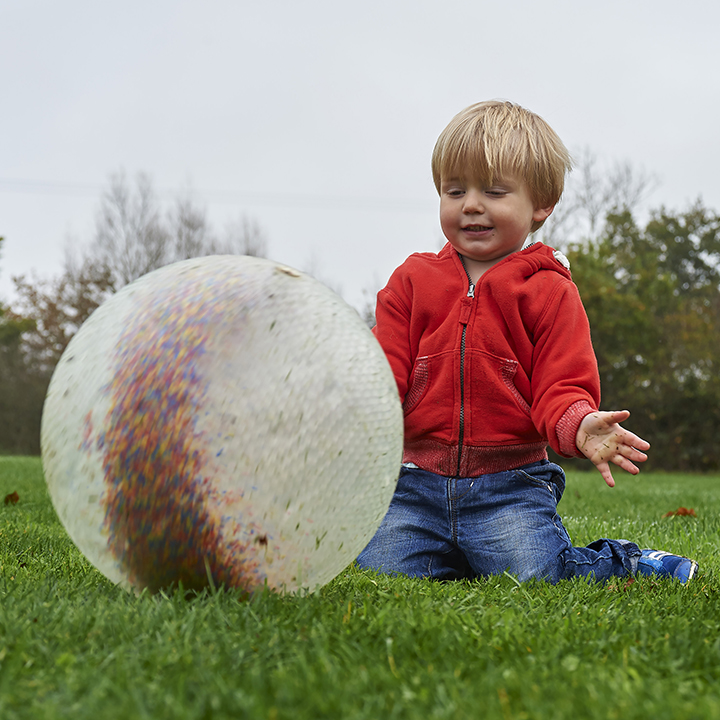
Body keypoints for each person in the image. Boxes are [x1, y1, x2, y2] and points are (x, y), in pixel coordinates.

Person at [357, 100, 698, 584]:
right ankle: (459, 555)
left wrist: (579, 425)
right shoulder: (411, 282)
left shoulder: (550, 291)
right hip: (415, 484)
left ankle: (628, 560)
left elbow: (562, 384)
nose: (471, 204)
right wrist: (348, 403)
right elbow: (381, 370)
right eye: (455, 191)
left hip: (509, 486)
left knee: (534, 572)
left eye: (494, 191)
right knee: (381, 571)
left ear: (541, 205)